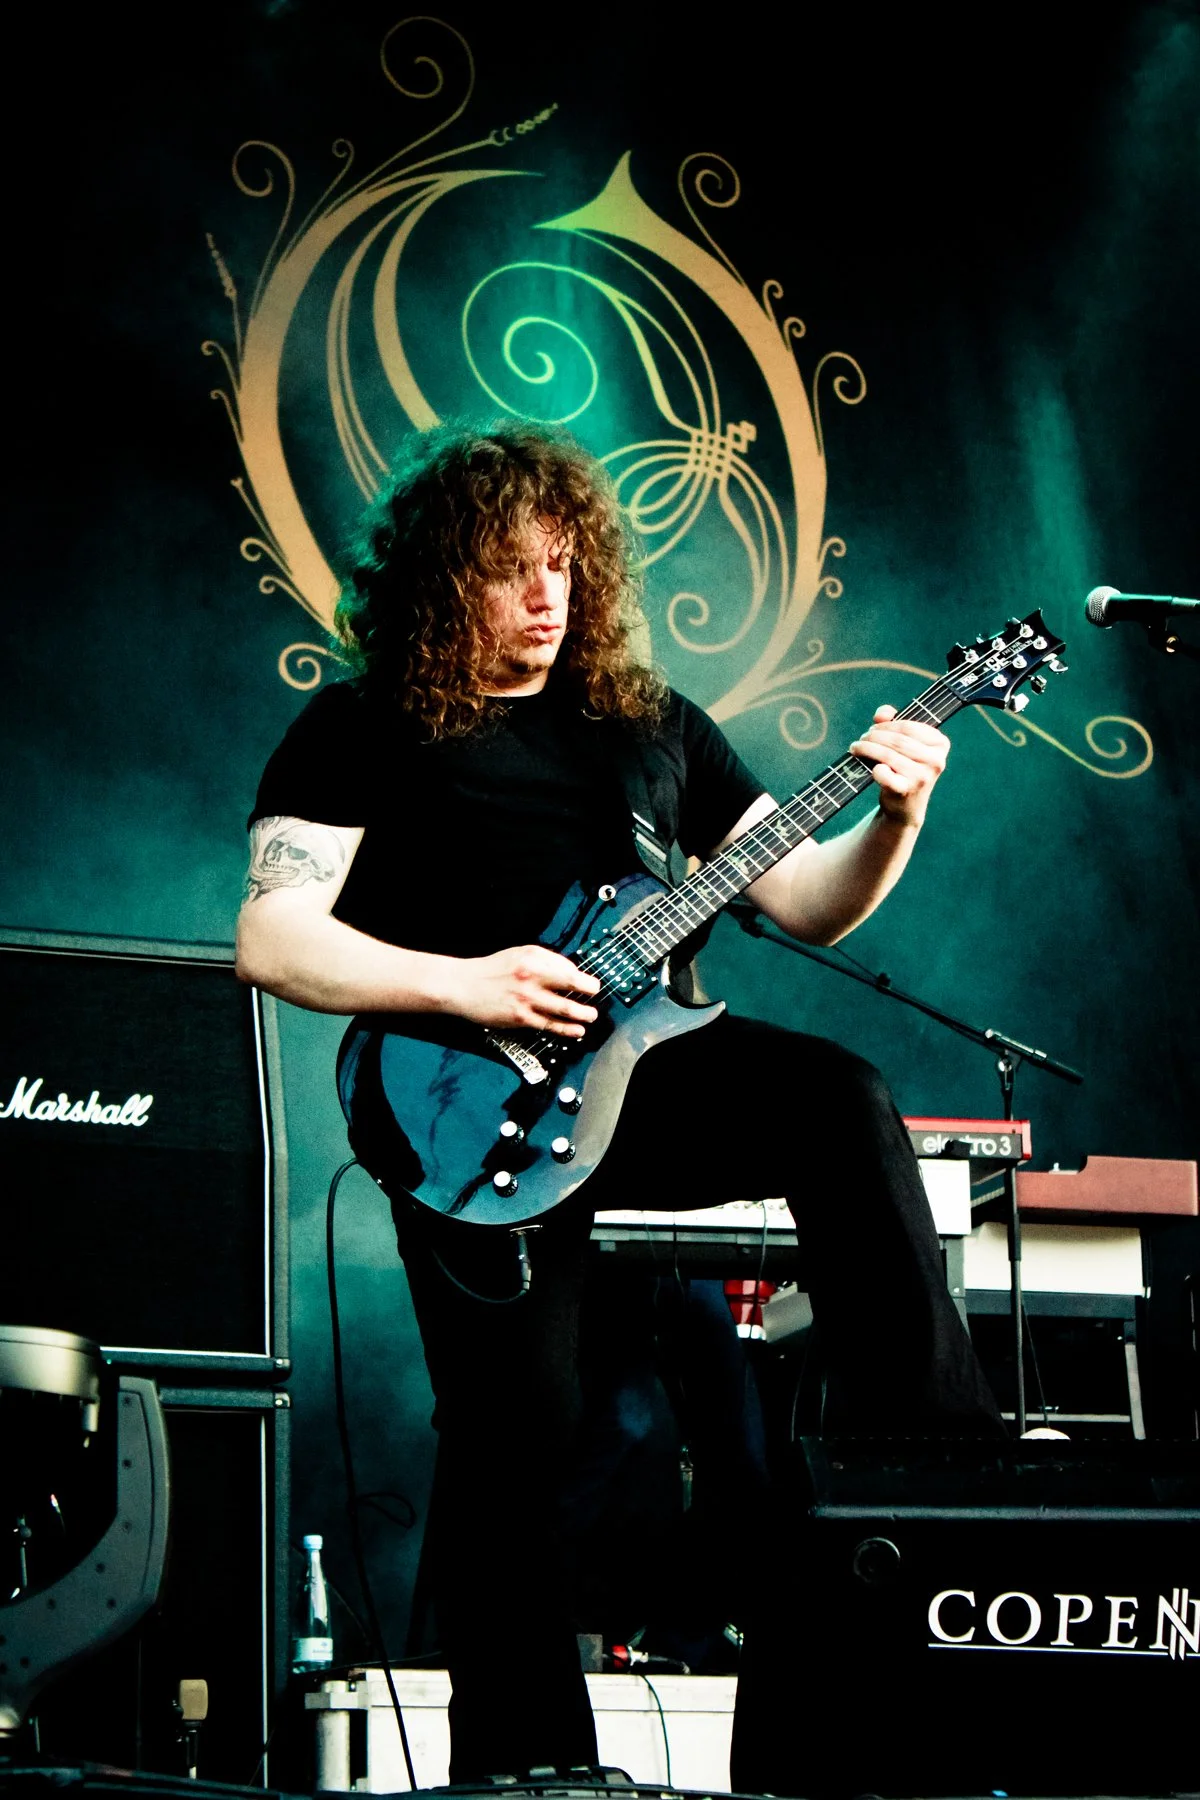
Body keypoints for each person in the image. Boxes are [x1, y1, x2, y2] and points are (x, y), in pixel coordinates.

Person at [237, 421, 1003, 1781]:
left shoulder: (651, 728)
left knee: (842, 1099)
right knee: (517, 1439)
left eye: (566, 567)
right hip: (460, 1113)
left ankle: (933, 1473)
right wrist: (469, 987)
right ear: (438, 580)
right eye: (512, 570)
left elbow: (807, 902)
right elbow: (276, 939)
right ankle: (527, 1772)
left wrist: (895, 815)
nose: (550, 596)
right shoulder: (363, 725)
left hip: (639, 1078)